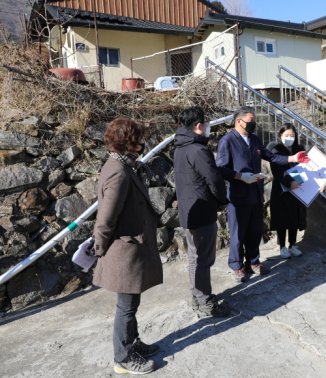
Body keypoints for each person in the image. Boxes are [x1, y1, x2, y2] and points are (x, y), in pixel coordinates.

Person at [92, 117, 163, 375]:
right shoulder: (119, 172)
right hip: (124, 250)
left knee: (131, 303)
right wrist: (98, 249)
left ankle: (132, 344)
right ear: (128, 142)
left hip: (130, 248)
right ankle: (122, 357)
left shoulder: (123, 166)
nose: (143, 143)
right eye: (139, 139)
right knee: (126, 306)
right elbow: (106, 218)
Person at [216, 106, 308, 282]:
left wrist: (293, 158)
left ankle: (254, 261)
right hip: (238, 194)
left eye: (254, 122)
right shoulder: (227, 141)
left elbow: (271, 156)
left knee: (254, 230)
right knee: (238, 232)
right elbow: (220, 169)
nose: (254, 125)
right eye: (251, 122)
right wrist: (240, 176)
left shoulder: (255, 140)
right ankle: (237, 265)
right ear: (238, 121)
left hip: (255, 193)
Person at [173, 106, 231, 317]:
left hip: (189, 211)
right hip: (202, 210)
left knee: (194, 257)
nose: (207, 128)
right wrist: (222, 200)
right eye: (205, 124)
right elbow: (214, 179)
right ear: (198, 126)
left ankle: (197, 296)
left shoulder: (180, 147)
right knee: (203, 259)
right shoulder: (198, 150)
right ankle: (204, 300)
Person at [268, 123, 307, 259]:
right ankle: (282, 247)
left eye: (292, 135)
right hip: (281, 189)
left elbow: (304, 167)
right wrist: (289, 183)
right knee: (282, 218)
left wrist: (301, 182)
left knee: (294, 218)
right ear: (280, 136)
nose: (289, 138)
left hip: (297, 188)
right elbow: (276, 169)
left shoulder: (299, 149)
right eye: (286, 135)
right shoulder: (276, 149)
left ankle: (293, 245)